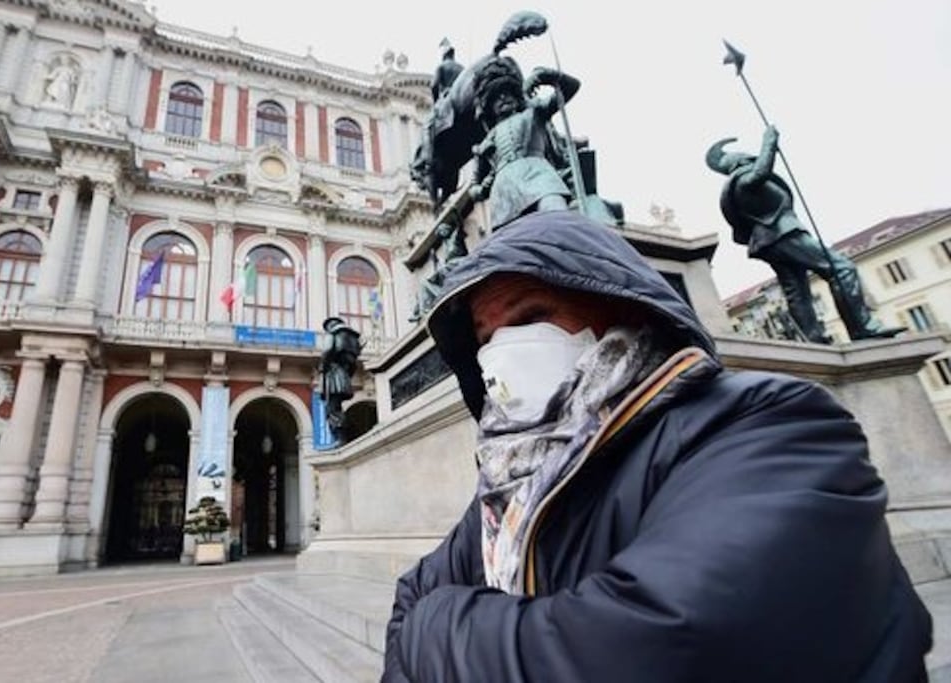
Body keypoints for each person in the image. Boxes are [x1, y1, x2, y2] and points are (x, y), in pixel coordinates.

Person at [382, 209, 931, 681]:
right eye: (485, 339)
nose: (502, 351)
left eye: (531, 316)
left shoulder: (772, 422)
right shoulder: (516, 480)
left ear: (617, 307)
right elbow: (408, 599)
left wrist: (432, 628)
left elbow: (659, 650)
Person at [707, 127, 904, 343]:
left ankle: (814, 340)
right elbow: (760, 173)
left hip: (770, 241)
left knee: (797, 292)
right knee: (841, 268)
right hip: (782, 234)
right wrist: (769, 142)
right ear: (741, 163)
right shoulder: (743, 182)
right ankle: (862, 327)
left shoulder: (736, 189)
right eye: (749, 158)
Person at [469, 56, 579, 229]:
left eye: (507, 92)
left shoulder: (534, 113)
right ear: (489, 106)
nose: (504, 98)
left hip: (538, 175)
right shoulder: (484, 144)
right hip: (505, 191)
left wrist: (545, 75)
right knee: (514, 244)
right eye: (497, 97)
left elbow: (571, 87)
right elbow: (473, 187)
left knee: (559, 220)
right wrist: (481, 190)